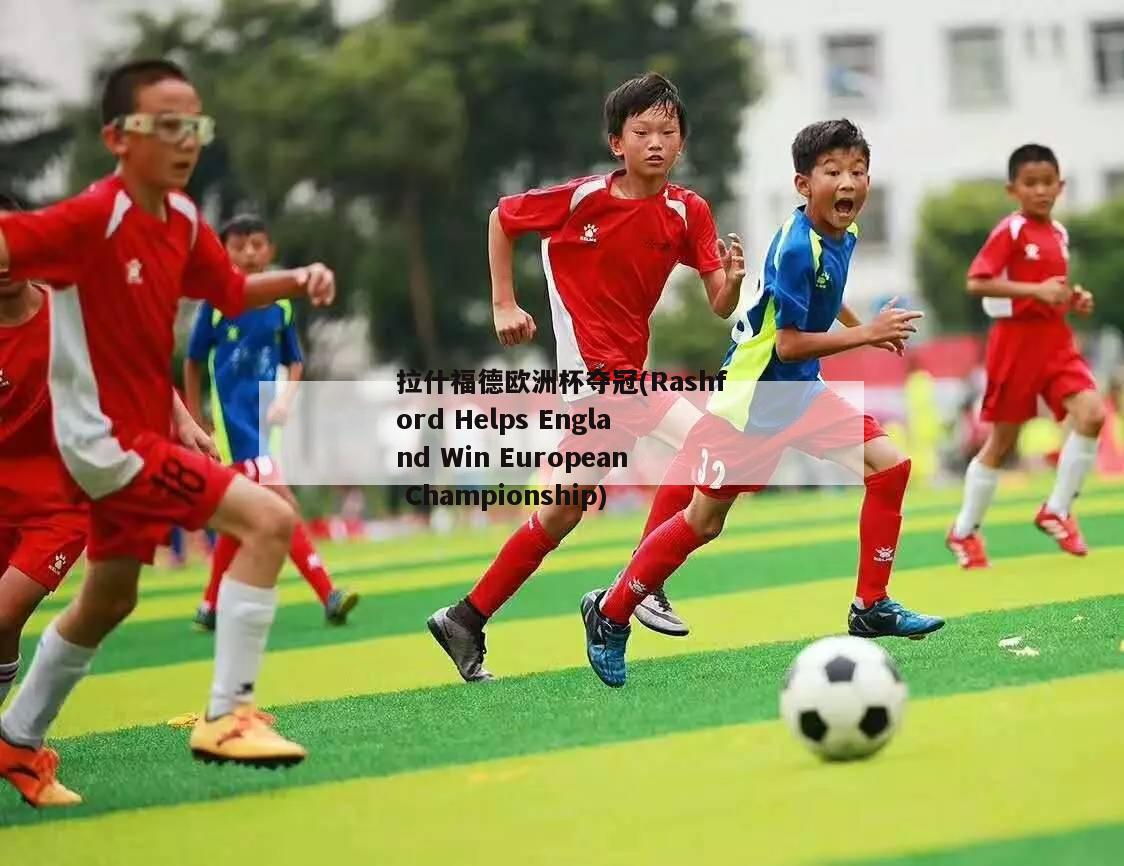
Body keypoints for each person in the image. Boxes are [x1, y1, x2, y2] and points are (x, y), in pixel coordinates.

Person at [0, 58, 335, 807]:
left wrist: (298, 278)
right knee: (270, 521)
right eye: (168, 125)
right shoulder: (93, 218)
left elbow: (229, 289)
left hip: (129, 441)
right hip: (110, 446)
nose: (187, 140)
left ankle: (17, 744)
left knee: (109, 599)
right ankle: (228, 714)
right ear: (118, 137)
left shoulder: (181, 220)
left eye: (195, 125)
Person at [580, 119, 945, 687]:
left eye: (857, 171)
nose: (848, 182)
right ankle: (610, 613)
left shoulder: (839, 232)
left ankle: (871, 605)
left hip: (801, 392)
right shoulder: (796, 246)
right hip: (754, 402)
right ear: (803, 185)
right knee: (703, 521)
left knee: (890, 466)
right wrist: (868, 333)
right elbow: (789, 341)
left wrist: (856, 322)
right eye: (833, 172)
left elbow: (827, 295)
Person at [426, 72, 745, 682]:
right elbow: (501, 218)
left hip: (625, 378)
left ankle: (465, 618)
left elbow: (719, 304)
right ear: (615, 143)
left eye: (668, 132)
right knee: (713, 444)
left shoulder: (688, 212)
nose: (656, 141)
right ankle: (639, 585)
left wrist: (729, 282)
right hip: (598, 380)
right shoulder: (581, 200)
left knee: (560, 513)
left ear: (682, 144)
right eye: (642, 131)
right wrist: (502, 303)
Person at [184, 214, 358, 630]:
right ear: (223, 251)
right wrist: (194, 420)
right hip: (231, 425)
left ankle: (209, 606)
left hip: (265, 424)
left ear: (271, 250)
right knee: (281, 504)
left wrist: (285, 399)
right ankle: (328, 592)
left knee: (246, 513)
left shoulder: (279, 306)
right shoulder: (215, 303)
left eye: (257, 244)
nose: (248, 252)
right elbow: (191, 361)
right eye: (239, 245)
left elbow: (294, 361)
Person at [946, 144, 1102, 568]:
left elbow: (1049, 289)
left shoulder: (1059, 234)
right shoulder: (1010, 230)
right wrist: (1038, 292)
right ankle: (963, 532)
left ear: (1061, 186)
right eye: (1030, 183)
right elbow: (977, 282)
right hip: (1014, 347)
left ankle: (1058, 509)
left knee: (1092, 414)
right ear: (1013, 189)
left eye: (1048, 182)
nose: (1040, 191)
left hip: (1056, 344)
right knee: (1002, 444)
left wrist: (1073, 299)